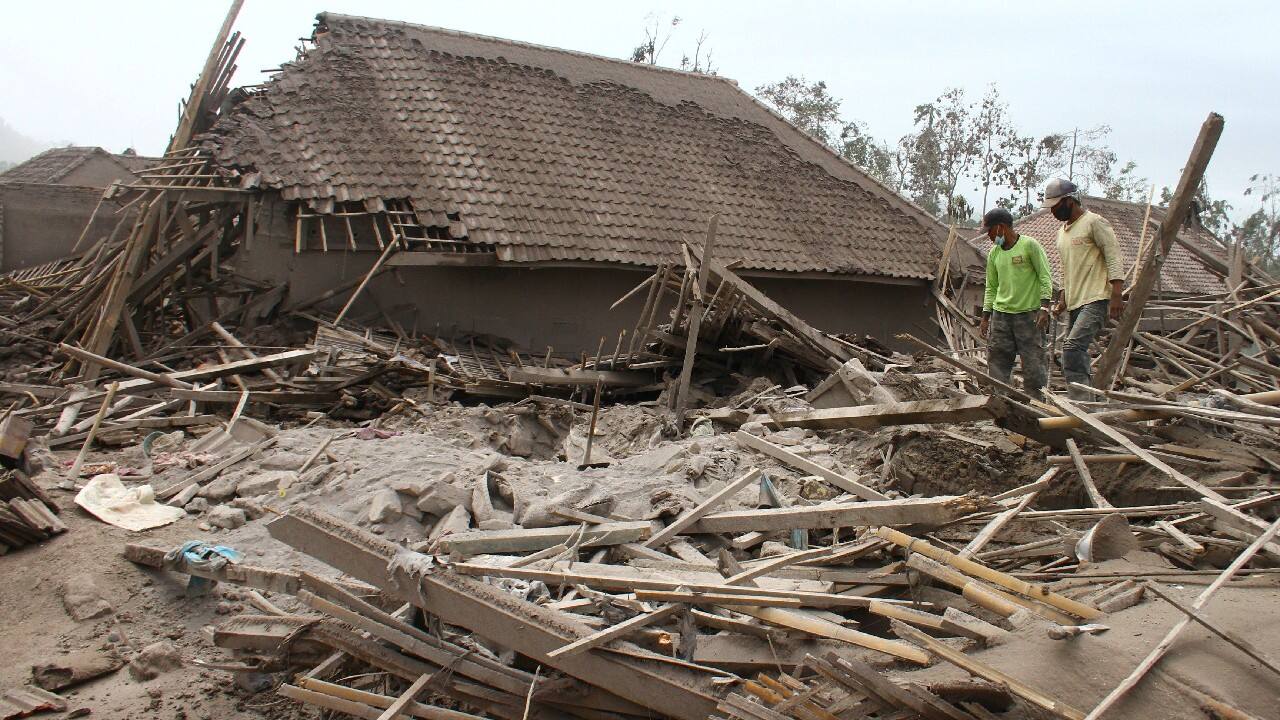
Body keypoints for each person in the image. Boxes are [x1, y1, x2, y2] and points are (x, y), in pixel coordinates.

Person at [1042, 179, 1125, 400]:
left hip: (1096, 298)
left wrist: (1117, 292)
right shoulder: (1062, 234)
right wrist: (1063, 297)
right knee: (1072, 353)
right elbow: (1066, 269)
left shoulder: (1094, 222)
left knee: (1072, 349)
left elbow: (1113, 254)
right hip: (1075, 301)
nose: (1053, 212)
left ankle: (1082, 404)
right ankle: (1087, 399)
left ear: (1069, 201)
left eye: (1056, 206)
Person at [979, 207, 1053, 397]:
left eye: (990, 231)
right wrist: (986, 316)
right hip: (1001, 316)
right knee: (997, 361)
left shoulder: (1030, 246)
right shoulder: (994, 254)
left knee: (1033, 364)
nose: (989, 236)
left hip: (1029, 316)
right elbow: (991, 287)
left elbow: (1045, 277)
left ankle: (1036, 405)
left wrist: (1044, 307)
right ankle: (1001, 403)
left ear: (1001, 227)